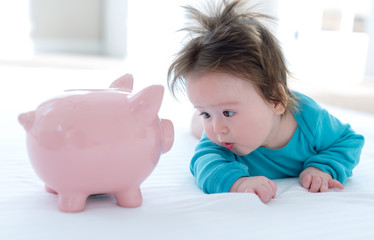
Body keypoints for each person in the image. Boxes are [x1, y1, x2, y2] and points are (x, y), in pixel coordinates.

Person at [167, 0, 365, 203]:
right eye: (206, 113)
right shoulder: (221, 140)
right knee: (200, 128)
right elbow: (204, 163)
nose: (218, 129)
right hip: (203, 129)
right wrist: (239, 182)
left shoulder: (309, 118)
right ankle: (197, 118)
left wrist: (322, 167)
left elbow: (348, 141)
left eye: (228, 112)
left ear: (276, 99)